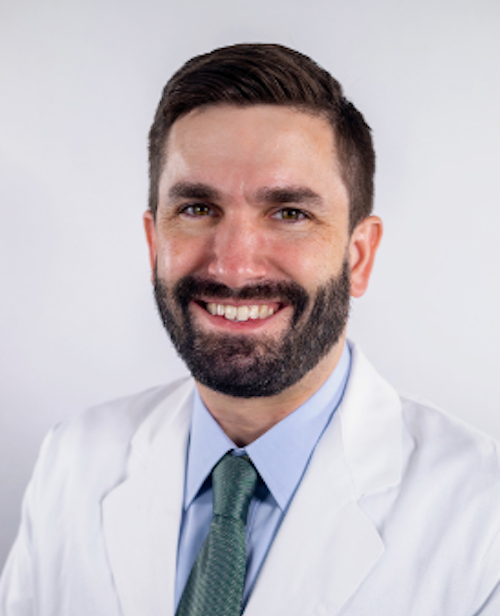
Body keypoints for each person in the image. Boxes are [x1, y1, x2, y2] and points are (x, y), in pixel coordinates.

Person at [1, 43, 500, 616]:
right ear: (154, 243)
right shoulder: (74, 460)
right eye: (196, 209)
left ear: (358, 257)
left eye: (290, 213)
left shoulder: (484, 518)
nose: (234, 266)